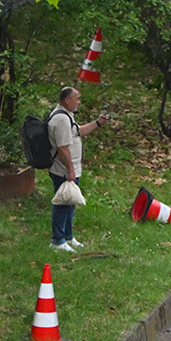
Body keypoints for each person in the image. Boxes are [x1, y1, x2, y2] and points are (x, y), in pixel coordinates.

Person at [46, 86, 109, 251]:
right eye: (77, 99)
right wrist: (71, 170)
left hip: (69, 170)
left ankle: (68, 236)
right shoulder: (61, 119)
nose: (79, 102)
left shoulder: (68, 116)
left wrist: (98, 123)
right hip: (63, 170)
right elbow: (62, 147)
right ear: (67, 100)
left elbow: (78, 131)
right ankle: (57, 240)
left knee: (70, 202)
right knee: (62, 203)